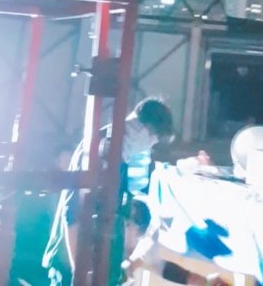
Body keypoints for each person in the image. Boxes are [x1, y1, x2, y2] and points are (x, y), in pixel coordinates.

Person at [42, 97, 173, 286]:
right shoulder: (98, 149)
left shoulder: (121, 156)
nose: (151, 144)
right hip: (72, 266)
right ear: (144, 128)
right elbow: (72, 214)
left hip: (99, 267)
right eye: (153, 137)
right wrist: (79, 273)